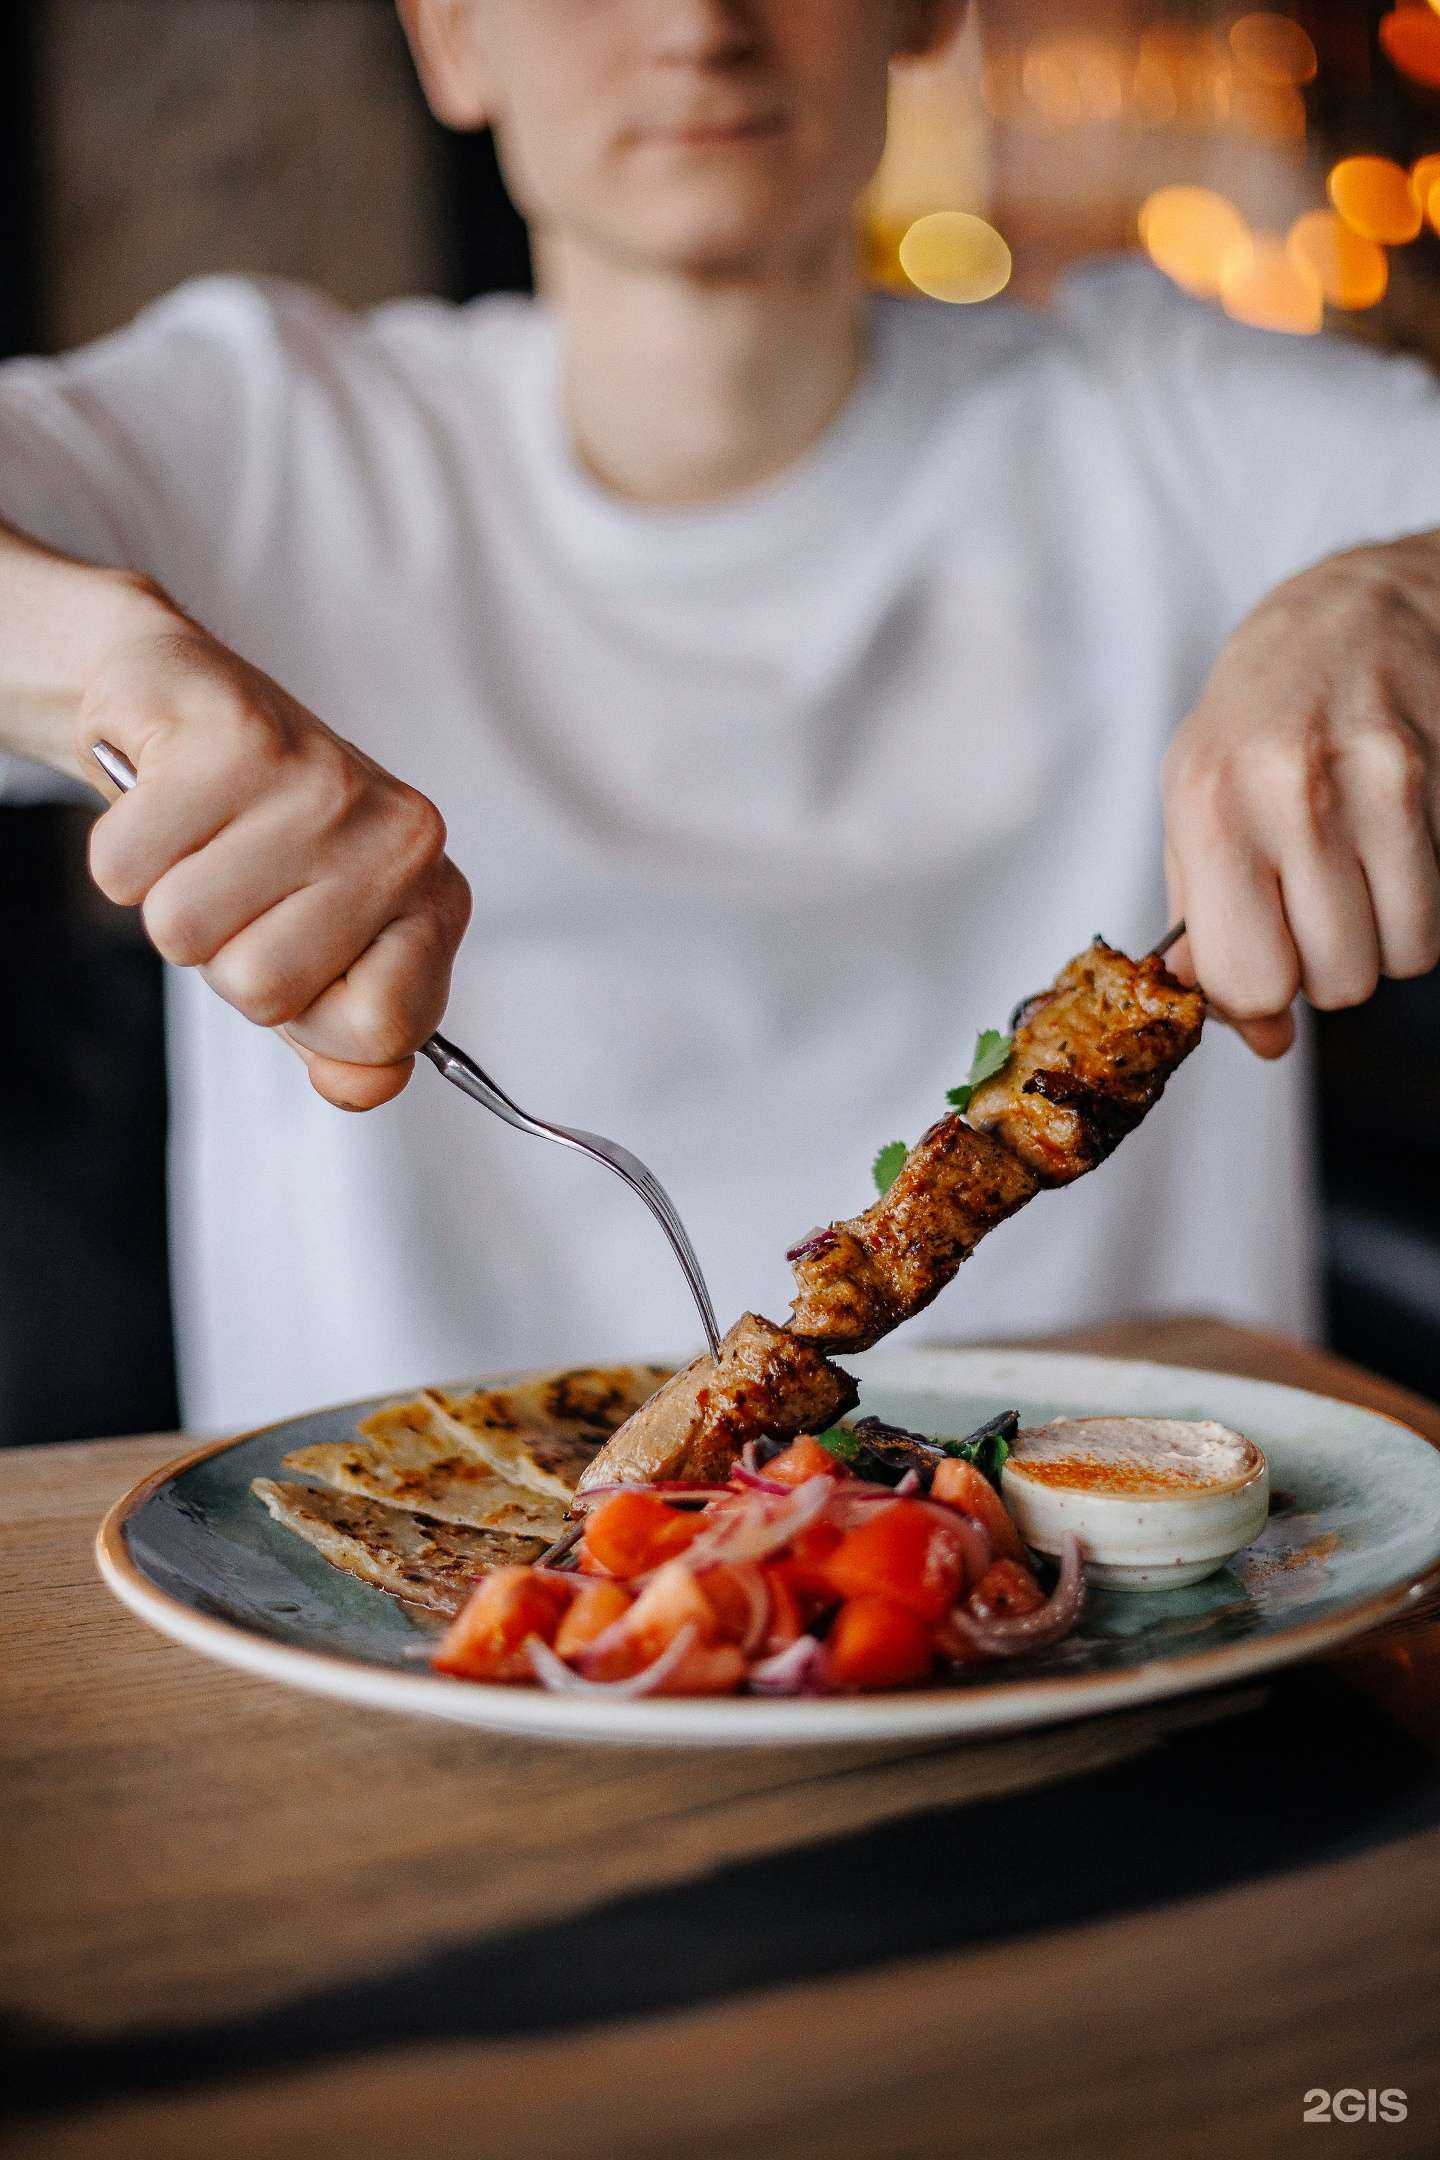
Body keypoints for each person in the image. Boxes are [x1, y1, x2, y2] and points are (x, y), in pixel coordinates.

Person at [1, 0, 1438, 1432]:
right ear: (449, 39)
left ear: (924, 12)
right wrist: (114, 669)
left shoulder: (1165, 416)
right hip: (356, 1608)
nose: (699, 24)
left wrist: (1387, 593)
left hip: (1152, 1601)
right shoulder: (264, 433)